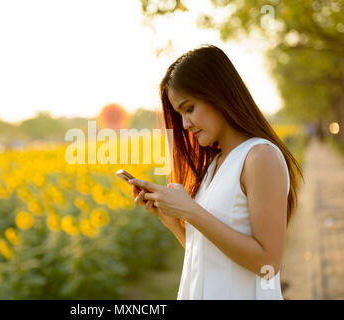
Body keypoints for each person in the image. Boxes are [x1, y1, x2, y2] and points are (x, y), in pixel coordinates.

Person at [129, 44, 304, 300]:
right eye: (180, 115)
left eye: (189, 108)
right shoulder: (215, 164)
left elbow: (268, 264)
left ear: (218, 94)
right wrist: (173, 221)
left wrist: (190, 210)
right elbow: (208, 256)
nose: (185, 124)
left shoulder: (260, 157)